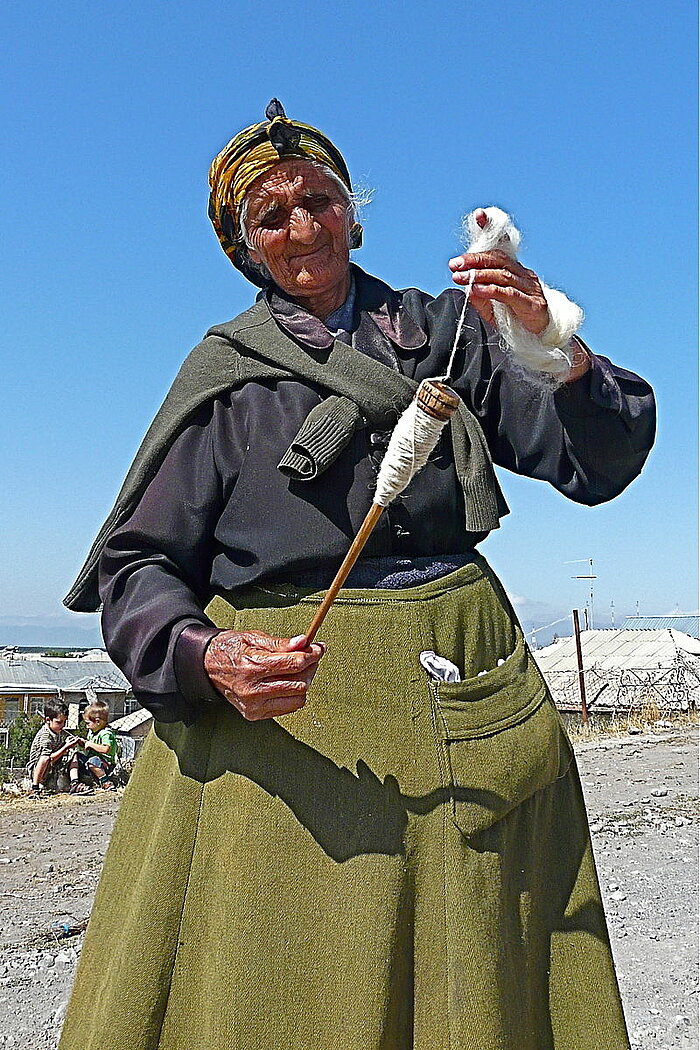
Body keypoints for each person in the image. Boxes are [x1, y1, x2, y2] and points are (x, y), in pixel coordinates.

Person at [59, 100, 655, 1050]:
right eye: (272, 216)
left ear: (355, 213)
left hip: (461, 683)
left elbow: (599, 462)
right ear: (247, 247)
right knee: (282, 985)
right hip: (288, 727)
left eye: (321, 201)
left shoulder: (450, 333)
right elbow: (139, 565)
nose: (303, 227)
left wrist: (552, 344)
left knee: (474, 972)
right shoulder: (225, 378)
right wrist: (206, 658)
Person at [27, 703, 79, 796]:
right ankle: (35, 787)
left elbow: (69, 738)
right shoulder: (45, 736)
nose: (62, 725)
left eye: (64, 722)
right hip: (39, 769)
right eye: (59, 722)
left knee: (74, 753)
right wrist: (66, 747)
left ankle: (75, 783)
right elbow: (49, 758)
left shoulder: (59, 731)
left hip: (53, 766)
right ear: (48, 720)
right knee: (45, 758)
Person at [68, 700, 118, 792]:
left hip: (104, 764)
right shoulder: (92, 732)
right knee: (76, 756)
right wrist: (83, 743)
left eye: (88, 723)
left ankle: (105, 782)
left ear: (98, 721)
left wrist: (90, 744)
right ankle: (74, 783)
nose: (87, 726)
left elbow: (105, 749)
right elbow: (89, 747)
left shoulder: (106, 733)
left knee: (93, 760)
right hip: (90, 763)